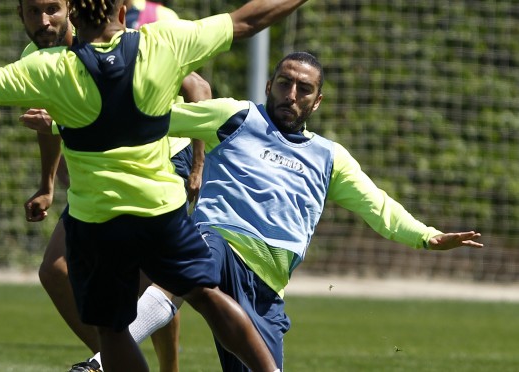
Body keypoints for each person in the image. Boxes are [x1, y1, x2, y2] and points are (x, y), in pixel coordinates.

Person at [0, 0, 313, 371]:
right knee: (205, 294)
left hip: (97, 222)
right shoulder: (160, 44)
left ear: (73, 17)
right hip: (159, 211)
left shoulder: (50, 68)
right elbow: (247, 20)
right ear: (120, 13)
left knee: (112, 331)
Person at [161, 51, 483, 370]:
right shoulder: (236, 117)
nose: (291, 95)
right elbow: (158, 122)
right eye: (284, 84)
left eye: (304, 89)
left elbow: (379, 206)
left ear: (317, 101)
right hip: (219, 242)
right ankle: (112, 352)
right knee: (186, 260)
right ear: (268, 86)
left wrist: (428, 237)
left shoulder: (330, 158)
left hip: (265, 289)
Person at [15, 1, 208, 370]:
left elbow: (198, 87)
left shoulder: (125, 39)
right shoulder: (34, 57)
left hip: (163, 162)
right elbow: (51, 125)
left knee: (154, 283)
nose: (43, 20)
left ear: (71, 9)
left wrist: (197, 164)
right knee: (55, 269)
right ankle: (115, 359)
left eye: (52, 8)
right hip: (102, 174)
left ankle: (145, 365)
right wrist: (47, 184)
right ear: (19, 15)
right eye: (32, 11)